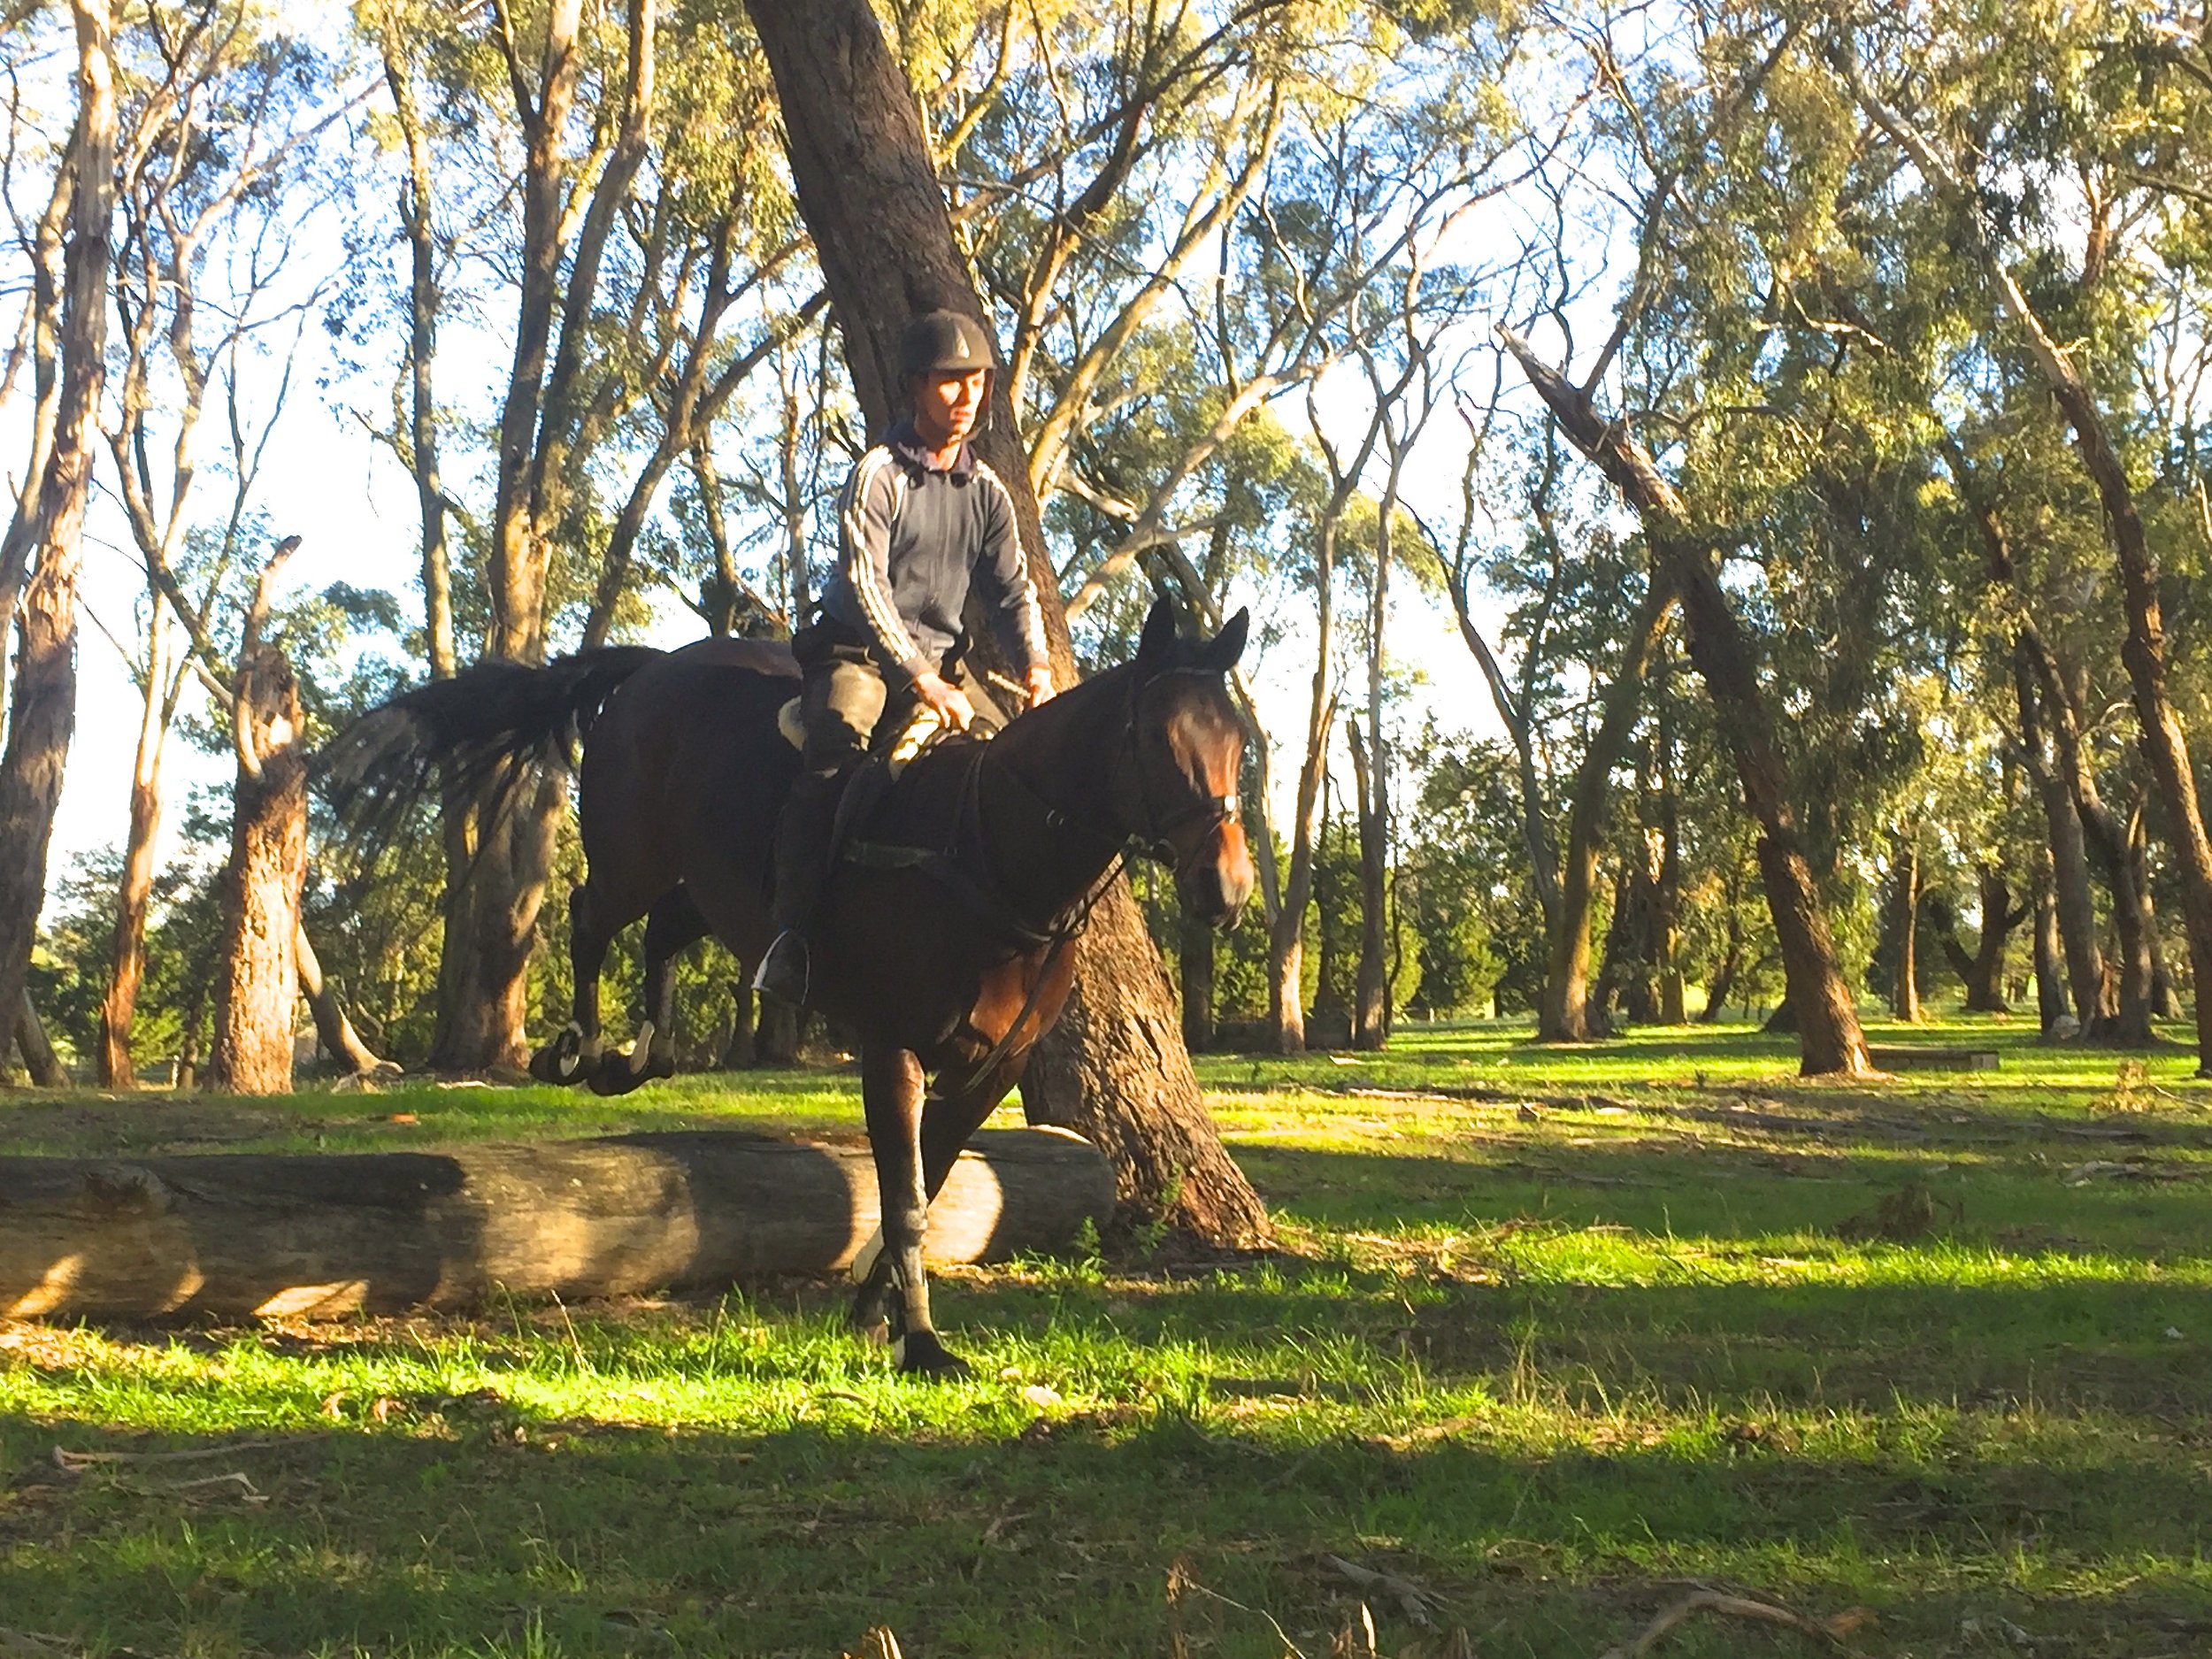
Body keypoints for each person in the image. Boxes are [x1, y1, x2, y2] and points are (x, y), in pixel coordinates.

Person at [753, 309, 1056, 1004]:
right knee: (833, 756)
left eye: (975, 383)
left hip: (945, 670)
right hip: (858, 654)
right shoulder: (877, 475)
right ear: (915, 387)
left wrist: (1036, 665)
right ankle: (792, 938)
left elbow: (1013, 591)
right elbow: (865, 584)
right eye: (949, 383)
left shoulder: (988, 493)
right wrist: (918, 678)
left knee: (1006, 769)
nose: (964, 397)